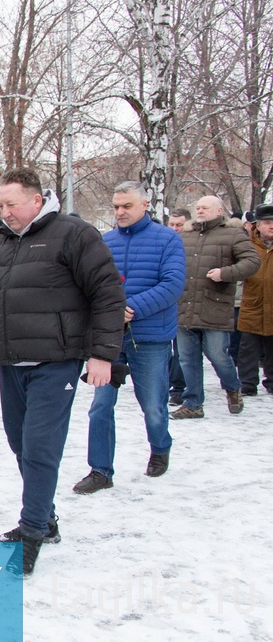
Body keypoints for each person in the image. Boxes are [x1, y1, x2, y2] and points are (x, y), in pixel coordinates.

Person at [0, 168, 125, 576]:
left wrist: (103, 354)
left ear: (37, 200)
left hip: (56, 359)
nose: (5, 212)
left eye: (12, 204)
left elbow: (108, 293)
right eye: (1, 206)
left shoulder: (73, 234)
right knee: (20, 444)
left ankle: (31, 533)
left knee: (40, 447)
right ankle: (46, 518)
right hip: (12, 361)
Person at [72, 182, 185, 495]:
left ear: (144, 204)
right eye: (116, 206)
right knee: (100, 406)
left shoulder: (167, 239)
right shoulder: (104, 242)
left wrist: (132, 308)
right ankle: (100, 470)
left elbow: (173, 285)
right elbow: (90, 284)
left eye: (127, 206)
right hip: (109, 339)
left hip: (150, 337)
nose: (120, 212)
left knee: (152, 405)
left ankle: (160, 446)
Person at [170, 196, 260, 419]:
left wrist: (225, 273)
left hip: (215, 306)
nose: (200, 211)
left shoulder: (233, 234)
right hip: (185, 306)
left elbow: (252, 261)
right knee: (187, 359)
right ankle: (193, 404)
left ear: (219, 210)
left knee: (218, 356)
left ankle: (233, 387)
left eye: (205, 207)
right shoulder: (186, 235)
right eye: (198, 207)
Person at [237, 204, 273, 396]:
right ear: (257, 225)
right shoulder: (247, 246)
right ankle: (247, 384)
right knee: (248, 349)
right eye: (267, 222)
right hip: (252, 305)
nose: (272, 226)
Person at [166, 207, 192, 406]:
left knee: (182, 352)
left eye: (179, 225)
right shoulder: (165, 241)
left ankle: (180, 387)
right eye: (172, 224)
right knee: (170, 350)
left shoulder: (193, 244)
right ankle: (172, 385)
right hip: (167, 305)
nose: (175, 229)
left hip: (189, 305)